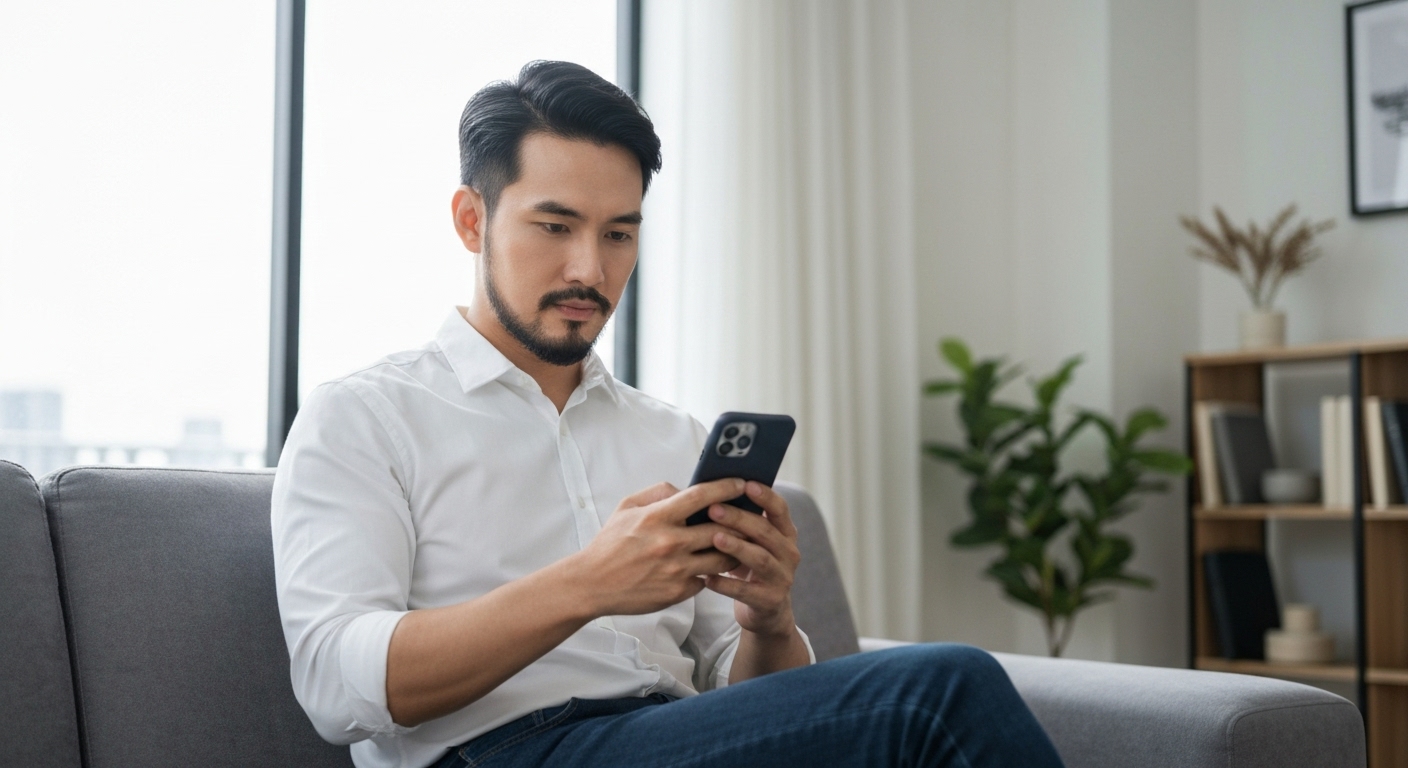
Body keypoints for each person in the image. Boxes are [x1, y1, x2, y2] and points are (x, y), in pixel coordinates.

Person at [272, 60, 1064, 768]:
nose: (591, 267)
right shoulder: (365, 418)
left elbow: (750, 699)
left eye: (619, 234)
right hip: (495, 752)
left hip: (672, 738)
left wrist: (768, 621)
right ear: (472, 220)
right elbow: (336, 684)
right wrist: (588, 583)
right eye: (555, 226)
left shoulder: (671, 436)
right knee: (937, 689)